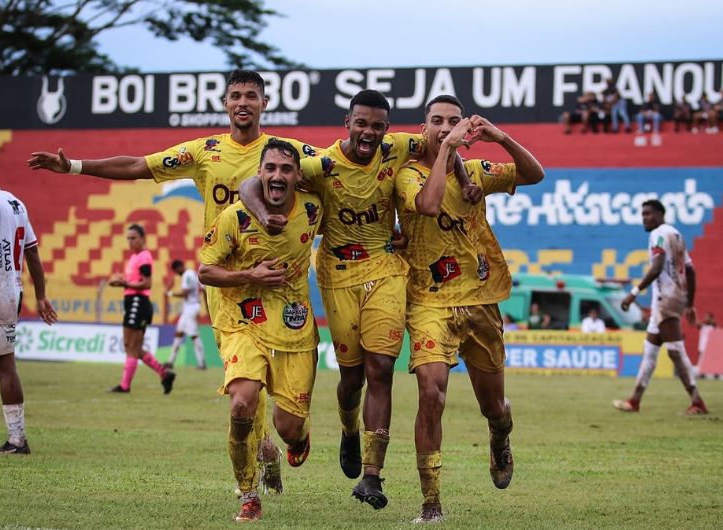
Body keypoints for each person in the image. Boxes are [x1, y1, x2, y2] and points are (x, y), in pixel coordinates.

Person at [26, 69, 321, 492]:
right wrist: (73, 166)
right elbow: (137, 165)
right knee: (244, 391)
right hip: (229, 286)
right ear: (224, 102)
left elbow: (339, 173)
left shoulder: (287, 154)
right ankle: (255, 469)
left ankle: (276, 444)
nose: (243, 102)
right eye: (235, 95)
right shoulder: (204, 151)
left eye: (251, 96)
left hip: (286, 288)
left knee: (282, 410)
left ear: (264, 102)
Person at [241, 89, 477, 510]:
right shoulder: (320, 165)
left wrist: (464, 178)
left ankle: (372, 475)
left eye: (377, 126)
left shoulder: (399, 147)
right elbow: (249, 182)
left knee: (381, 367)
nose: (369, 132)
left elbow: (445, 147)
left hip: (386, 267)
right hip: (337, 273)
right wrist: (264, 215)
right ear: (347, 124)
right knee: (352, 379)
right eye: (362, 123)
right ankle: (350, 430)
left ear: (387, 129)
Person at [396, 95, 545, 522]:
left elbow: (535, 174)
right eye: (437, 121)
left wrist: (498, 136)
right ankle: (431, 501)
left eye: (454, 121)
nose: (446, 127)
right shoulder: (407, 174)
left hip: (480, 300)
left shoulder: (477, 171)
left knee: (494, 407)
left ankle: (500, 437)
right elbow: (426, 204)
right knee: (431, 394)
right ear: (424, 126)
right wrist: (446, 150)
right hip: (428, 300)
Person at [198, 139, 323, 522]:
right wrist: (248, 275)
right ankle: (249, 494)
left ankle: (298, 437)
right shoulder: (234, 218)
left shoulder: (315, 209)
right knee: (241, 403)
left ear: (298, 177)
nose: (278, 176)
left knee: (288, 427)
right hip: (242, 321)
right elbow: (205, 270)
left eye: (286, 169)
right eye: (270, 169)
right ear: (260, 174)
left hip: (293, 325)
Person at [614, 199, 709, 415]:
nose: (644, 218)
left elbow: (657, 267)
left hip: (665, 298)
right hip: (673, 297)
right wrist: (690, 304)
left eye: (648, 214)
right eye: (642, 214)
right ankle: (634, 400)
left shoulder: (657, 235)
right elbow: (690, 270)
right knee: (650, 351)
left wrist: (633, 293)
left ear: (660, 214)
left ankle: (697, 401)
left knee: (675, 351)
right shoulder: (676, 235)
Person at [0, 187, 58, 454]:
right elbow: (32, 252)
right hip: (11, 293)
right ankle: (17, 439)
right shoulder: (16, 203)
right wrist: (41, 295)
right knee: (5, 367)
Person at [108, 224, 175, 394]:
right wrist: (122, 281)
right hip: (133, 303)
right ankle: (164, 374)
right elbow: (135, 281)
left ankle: (125, 386)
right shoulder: (134, 258)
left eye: (133, 238)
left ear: (142, 239)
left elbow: (147, 283)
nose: (130, 241)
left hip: (139, 302)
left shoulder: (144, 257)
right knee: (132, 346)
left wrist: (124, 283)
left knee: (131, 346)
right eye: (128, 238)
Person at [166, 259, 206, 370]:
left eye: (176, 271)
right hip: (189, 307)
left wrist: (170, 293)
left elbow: (185, 293)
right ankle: (170, 361)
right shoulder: (192, 273)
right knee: (179, 333)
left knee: (194, 335)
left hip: (191, 307)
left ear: (179, 267)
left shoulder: (187, 275)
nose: (176, 273)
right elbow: (202, 289)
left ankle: (202, 363)